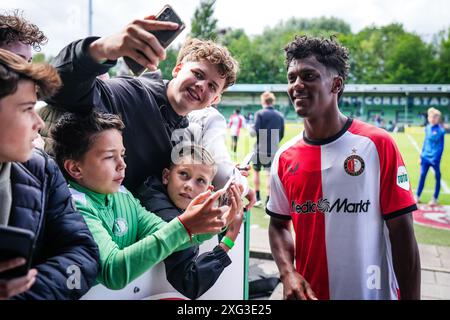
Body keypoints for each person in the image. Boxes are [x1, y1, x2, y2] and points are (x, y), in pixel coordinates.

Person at [267, 35, 420, 300]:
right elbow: (278, 224)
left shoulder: (377, 144)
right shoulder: (284, 157)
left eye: (309, 76)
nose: (297, 85)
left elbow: (403, 232)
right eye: (292, 78)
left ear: (335, 84)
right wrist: (287, 272)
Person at [48, 17, 239, 193]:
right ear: (177, 69)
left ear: (214, 100)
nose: (201, 86)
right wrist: (102, 48)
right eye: (198, 74)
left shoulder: (185, 133)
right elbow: (59, 88)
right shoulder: (130, 93)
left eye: (212, 86)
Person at [51, 111, 238, 290]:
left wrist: (214, 222)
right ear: (75, 169)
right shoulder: (74, 208)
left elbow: (168, 235)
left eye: (122, 155)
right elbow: (113, 272)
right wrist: (186, 226)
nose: (122, 164)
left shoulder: (123, 195)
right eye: (110, 157)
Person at [0, 49, 99, 299]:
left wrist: (23, 293)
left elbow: (83, 257)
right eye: (27, 108)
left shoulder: (42, 169)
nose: (40, 122)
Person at [136, 144, 243, 299]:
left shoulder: (156, 191)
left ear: (208, 190)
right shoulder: (163, 213)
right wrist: (229, 238)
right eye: (184, 174)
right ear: (166, 176)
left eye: (200, 180)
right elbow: (190, 282)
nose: (189, 186)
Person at [251, 91, 285, 207]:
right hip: (273, 148)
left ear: (263, 101)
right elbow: (281, 134)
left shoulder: (259, 113)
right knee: (269, 174)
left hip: (260, 148)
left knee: (256, 172)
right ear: (272, 101)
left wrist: (250, 129)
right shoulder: (280, 115)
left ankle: (257, 197)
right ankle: (268, 199)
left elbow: (254, 132)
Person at [416, 107, 446, 205]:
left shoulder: (441, 131)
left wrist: (437, 158)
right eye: (432, 117)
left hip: (434, 159)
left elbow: (441, 146)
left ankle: (435, 198)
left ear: (438, 119)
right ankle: (417, 196)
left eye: (435, 117)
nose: (433, 119)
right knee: (422, 175)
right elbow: (425, 142)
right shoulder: (427, 128)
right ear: (429, 118)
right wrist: (421, 156)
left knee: (437, 177)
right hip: (425, 157)